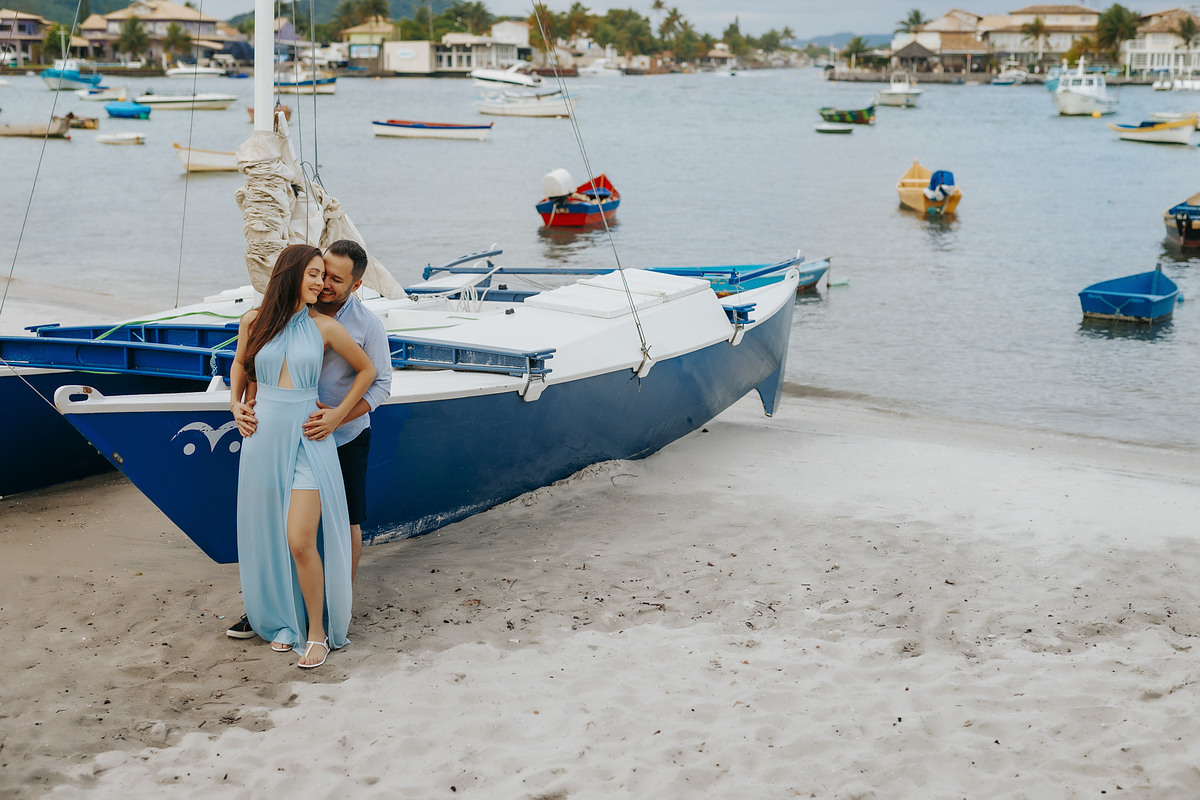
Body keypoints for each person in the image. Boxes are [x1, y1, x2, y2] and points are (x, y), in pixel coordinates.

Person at [226, 239, 391, 638]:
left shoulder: (362, 325)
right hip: (275, 433)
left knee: (343, 520)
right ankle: (277, 607)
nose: (325, 283)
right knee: (275, 523)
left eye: (334, 278)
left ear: (355, 285)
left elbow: (379, 381)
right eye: (319, 273)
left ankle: (336, 604)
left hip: (342, 433)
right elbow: (250, 364)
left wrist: (336, 418)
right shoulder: (282, 314)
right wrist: (240, 402)